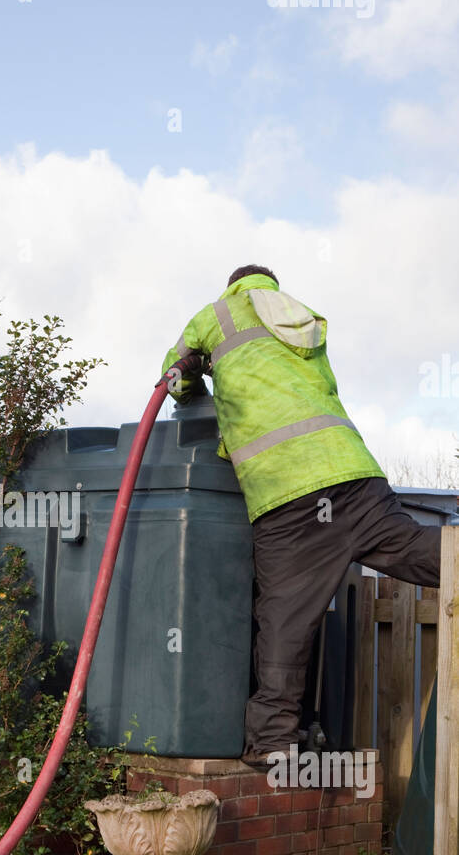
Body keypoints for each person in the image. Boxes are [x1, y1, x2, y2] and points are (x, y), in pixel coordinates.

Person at [161, 265, 441, 769]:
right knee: (415, 548)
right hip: (354, 472)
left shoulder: (215, 315)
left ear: (234, 285)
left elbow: (173, 379)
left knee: (285, 617)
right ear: (271, 284)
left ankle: (272, 743)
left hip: (288, 488)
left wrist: (197, 373)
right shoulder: (301, 317)